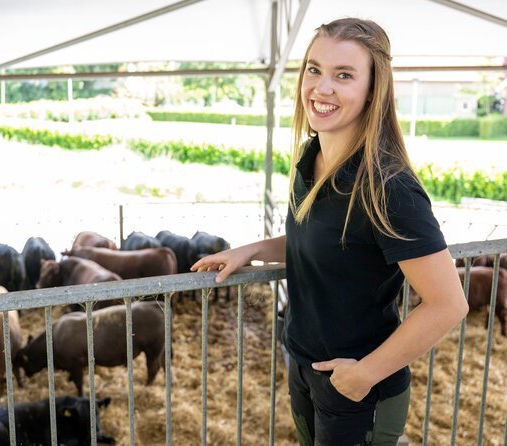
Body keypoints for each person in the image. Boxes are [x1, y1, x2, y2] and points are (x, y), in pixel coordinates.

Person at [191, 18, 468, 446]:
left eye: (344, 75)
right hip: (304, 364)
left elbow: (448, 304)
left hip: (359, 385)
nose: (321, 88)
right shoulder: (312, 154)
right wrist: (250, 251)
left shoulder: (388, 188)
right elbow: (327, 244)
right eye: (314, 69)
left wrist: (362, 376)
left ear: (373, 89)